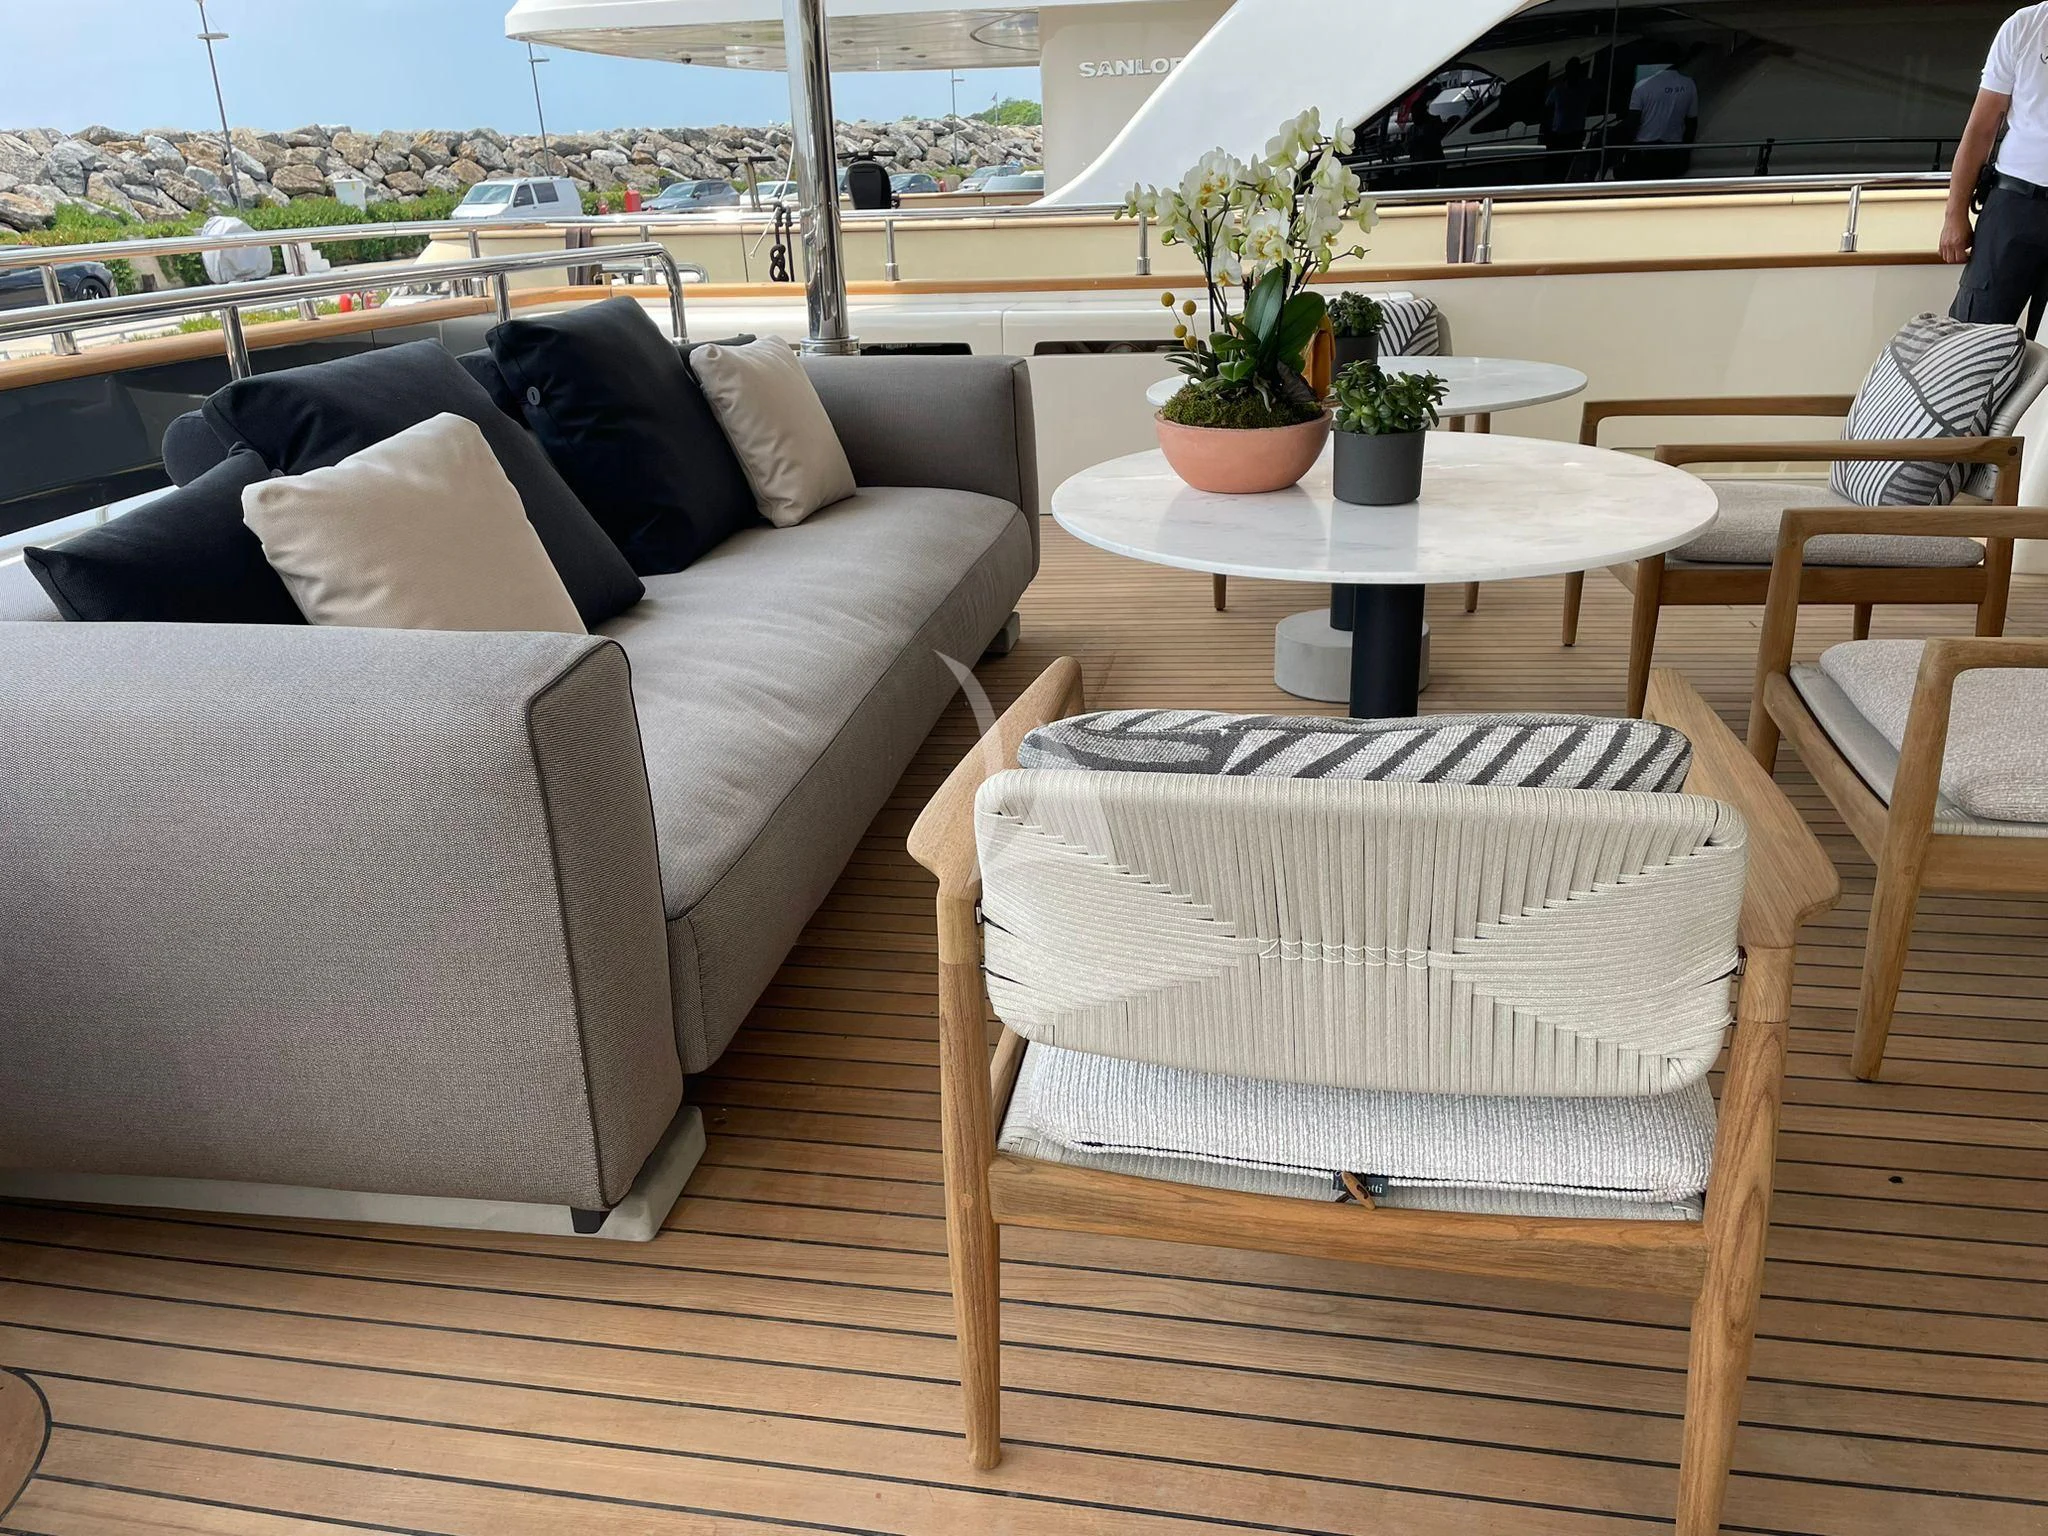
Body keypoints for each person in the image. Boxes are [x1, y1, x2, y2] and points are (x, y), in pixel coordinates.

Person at [1945, 3, 2048, 332]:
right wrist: (1954, 214)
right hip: (2014, 206)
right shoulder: (2026, 25)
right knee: (1972, 334)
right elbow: (1981, 129)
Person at [1625, 62, 1698, 182]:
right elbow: (1692, 122)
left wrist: (1624, 149)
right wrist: (1685, 152)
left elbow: (1632, 122)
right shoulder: (1688, 84)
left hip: (1643, 151)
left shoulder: (1642, 86)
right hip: (1673, 151)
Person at [1542, 56, 1593, 177]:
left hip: (1575, 136)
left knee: (1571, 168)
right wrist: (1546, 131)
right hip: (1557, 135)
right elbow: (1547, 109)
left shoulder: (1586, 88)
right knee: (1554, 168)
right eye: (1571, 69)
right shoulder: (1558, 90)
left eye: (1576, 70)